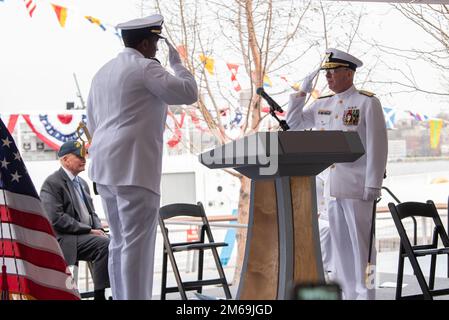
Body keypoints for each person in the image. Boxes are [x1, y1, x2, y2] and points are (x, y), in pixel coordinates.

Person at [86, 14, 198, 300]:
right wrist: (178, 65)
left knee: (119, 244)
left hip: (105, 169)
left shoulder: (101, 73)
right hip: (134, 169)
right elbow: (188, 92)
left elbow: (94, 123)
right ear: (147, 43)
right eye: (156, 45)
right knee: (137, 245)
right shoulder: (145, 68)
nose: (157, 51)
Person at [286, 48, 388, 300]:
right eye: (326, 74)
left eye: (333, 73)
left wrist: (373, 183)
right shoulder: (322, 104)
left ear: (349, 74)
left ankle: (368, 295)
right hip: (333, 188)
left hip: (359, 188)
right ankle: (347, 295)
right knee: (340, 249)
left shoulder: (367, 102)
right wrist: (301, 93)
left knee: (365, 249)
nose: (328, 78)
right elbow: (293, 124)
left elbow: (378, 144)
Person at [40, 140, 110, 300]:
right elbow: (56, 219)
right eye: (78, 156)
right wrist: (89, 230)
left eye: (84, 155)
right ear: (64, 159)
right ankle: (100, 295)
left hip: (85, 236)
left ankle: (118, 290)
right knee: (105, 245)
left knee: (116, 243)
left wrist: (99, 229)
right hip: (65, 239)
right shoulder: (52, 183)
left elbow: (92, 213)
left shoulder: (83, 184)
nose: (84, 159)